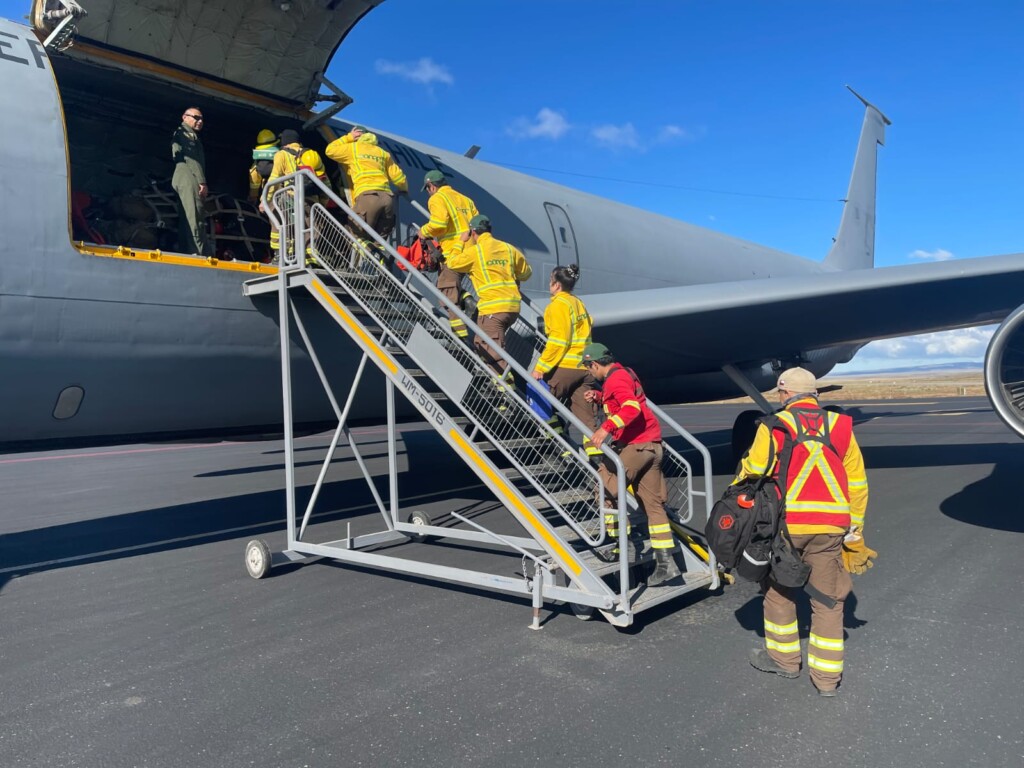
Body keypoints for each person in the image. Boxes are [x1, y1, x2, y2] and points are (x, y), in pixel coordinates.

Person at [737, 367, 872, 697]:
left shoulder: (775, 425)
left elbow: (753, 470)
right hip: (830, 528)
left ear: (784, 394)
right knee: (828, 601)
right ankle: (826, 681)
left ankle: (785, 662)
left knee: (779, 592)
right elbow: (857, 480)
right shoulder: (840, 426)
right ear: (815, 395)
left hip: (786, 527)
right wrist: (854, 529)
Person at [582, 342, 681, 586]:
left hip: (636, 445)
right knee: (653, 505)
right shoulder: (623, 374)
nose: (589, 373)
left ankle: (620, 545)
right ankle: (665, 564)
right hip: (652, 446)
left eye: (588, 368)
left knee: (605, 489)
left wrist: (606, 428)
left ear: (595, 364)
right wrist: (597, 395)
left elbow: (630, 406)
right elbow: (624, 398)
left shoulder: (615, 380)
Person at [446, 214, 532, 377]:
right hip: (512, 308)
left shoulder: (475, 252)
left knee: (491, 351)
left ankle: (506, 394)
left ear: (473, 233)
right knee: (481, 342)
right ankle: (497, 383)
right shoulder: (508, 248)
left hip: (493, 308)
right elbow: (527, 273)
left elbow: (452, 263)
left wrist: (460, 242)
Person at [530, 264, 600, 454]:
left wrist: (541, 367)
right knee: (585, 414)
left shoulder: (557, 305)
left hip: (568, 364)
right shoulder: (578, 303)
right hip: (585, 367)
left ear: (557, 285)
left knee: (536, 394)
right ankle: (598, 461)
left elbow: (559, 341)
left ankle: (558, 437)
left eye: (551, 281)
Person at [325, 125, 408, 251]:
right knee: (379, 240)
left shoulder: (353, 148)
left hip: (368, 196)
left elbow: (330, 150)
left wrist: (348, 137)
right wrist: (404, 189)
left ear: (357, 135)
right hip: (387, 199)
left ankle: (364, 250)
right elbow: (399, 179)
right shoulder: (383, 153)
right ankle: (379, 257)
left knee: (354, 232)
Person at [419, 170, 478, 340]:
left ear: (431, 186)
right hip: (472, 248)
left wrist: (423, 231)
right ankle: (466, 298)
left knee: (446, 293)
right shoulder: (466, 199)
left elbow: (438, 224)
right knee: (454, 287)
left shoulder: (437, 198)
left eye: (428, 188)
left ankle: (461, 338)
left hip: (454, 250)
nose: (428, 192)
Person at [265, 129, 327, 264]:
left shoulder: (281, 154)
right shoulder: (313, 154)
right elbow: (324, 181)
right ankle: (310, 260)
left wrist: (265, 199)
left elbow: (274, 178)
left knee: (278, 221)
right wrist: (322, 202)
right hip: (311, 199)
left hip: (290, 197)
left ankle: (280, 256)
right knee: (310, 227)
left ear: (285, 142)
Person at [171, 107, 209, 256]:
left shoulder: (188, 134)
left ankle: (187, 251)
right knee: (195, 217)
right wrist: (201, 181)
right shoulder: (186, 134)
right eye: (196, 117)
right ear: (184, 117)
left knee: (187, 217)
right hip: (188, 174)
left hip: (183, 174)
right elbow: (191, 158)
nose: (200, 121)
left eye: (201, 119)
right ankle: (196, 253)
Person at [248, 128, 279, 204]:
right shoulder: (282, 154)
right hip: (287, 191)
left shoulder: (258, 161)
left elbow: (254, 179)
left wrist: (253, 196)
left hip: (269, 195)